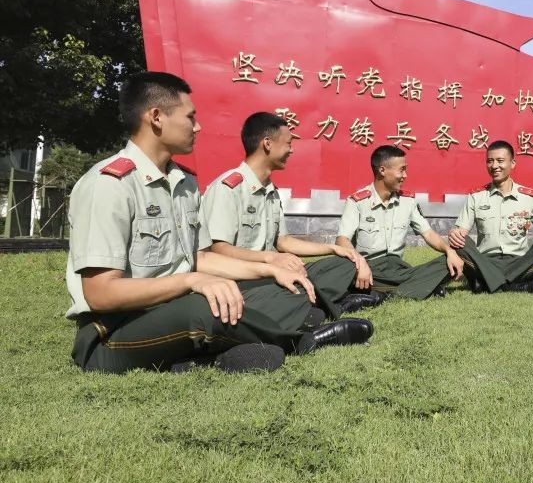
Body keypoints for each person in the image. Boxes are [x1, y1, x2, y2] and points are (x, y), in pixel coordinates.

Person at [65, 72, 372, 374]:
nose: (197, 126)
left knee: (280, 288)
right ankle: (302, 340)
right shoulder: (109, 185)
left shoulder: (184, 183)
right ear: (156, 117)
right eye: (190, 117)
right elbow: (100, 293)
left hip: (178, 305)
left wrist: (270, 270)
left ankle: (206, 357)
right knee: (202, 308)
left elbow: (202, 258)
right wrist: (190, 281)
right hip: (116, 331)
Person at [201, 112, 379, 319]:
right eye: (288, 144)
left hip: (273, 272)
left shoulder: (271, 191)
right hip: (245, 277)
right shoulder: (228, 188)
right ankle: (326, 306)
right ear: (267, 144)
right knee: (293, 285)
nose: (291, 150)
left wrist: (332, 248)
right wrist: (271, 259)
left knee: (343, 264)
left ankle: (309, 303)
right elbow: (219, 249)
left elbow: (283, 241)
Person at [335, 145, 464, 299]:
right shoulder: (357, 202)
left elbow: (428, 233)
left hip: (399, 269)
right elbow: (342, 240)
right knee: (349, 275)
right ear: (382, 170)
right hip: (370, 268)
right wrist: (360, 264)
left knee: (452, 259)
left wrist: (449, 251)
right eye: (401, 170)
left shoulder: (408, 201)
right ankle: (423, 286)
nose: (405, 175)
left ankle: (384, 292)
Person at [446, 140, 533, 293]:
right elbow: (461, 232)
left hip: (520, 263)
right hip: (485, 261)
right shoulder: (476, 196)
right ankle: (512, 286)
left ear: (512, 163)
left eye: (500, 161)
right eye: (490, 161)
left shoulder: (530, 197)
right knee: (460, 242)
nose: (494, 166)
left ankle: (487, 283)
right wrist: (454, 233)